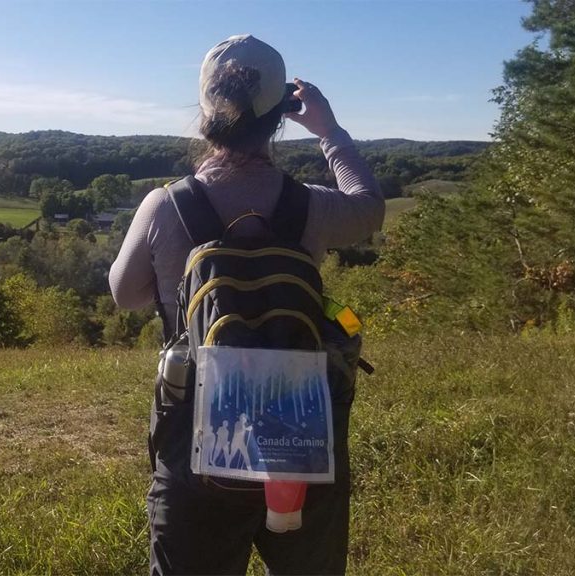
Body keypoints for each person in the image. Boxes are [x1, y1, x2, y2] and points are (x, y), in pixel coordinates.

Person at [109, 34, 384, 575]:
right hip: (303, 429)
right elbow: (369, 208)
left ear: (207, 109)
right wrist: (330, 133)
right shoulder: (309, 205)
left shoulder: (165, 205)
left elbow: (124, 295)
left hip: (195, 432)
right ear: (282, 115)